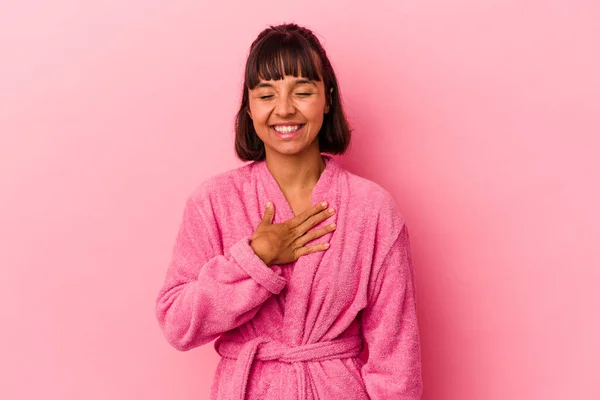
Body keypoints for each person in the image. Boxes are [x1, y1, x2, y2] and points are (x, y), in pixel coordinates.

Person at [155, 23, 423, 399]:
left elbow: (396, 360)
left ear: (327, 99)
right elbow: (178, 324)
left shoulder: (373, 209)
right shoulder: (213, 201)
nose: (284, 109)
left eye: (302, 92)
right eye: (266, 94)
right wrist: (254, 259)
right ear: (248, 106)